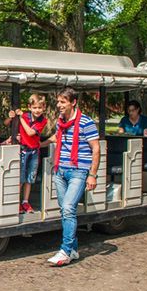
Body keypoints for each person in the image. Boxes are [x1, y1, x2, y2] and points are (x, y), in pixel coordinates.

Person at [47, 87, 101, 267]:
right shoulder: (60, 122)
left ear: (73, 102)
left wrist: (92, 175)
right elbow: (56, 139)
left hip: (78, 171)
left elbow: (96, 148)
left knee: (69, 208)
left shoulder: (86, 122)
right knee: (65, 210)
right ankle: (74, 249)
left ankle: (65, 251)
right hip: (60, 170)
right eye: (58, 101)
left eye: (63, 102)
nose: (59, 105)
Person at [7, 93, 50, 213]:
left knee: (30, 178)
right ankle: (16, 202)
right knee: (20, 177)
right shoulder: (24, 115)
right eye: (35, 107)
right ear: (29, 107)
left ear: (44, 108)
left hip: (34, 151)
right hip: (23, 150)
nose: (37, 110)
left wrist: (21, 119)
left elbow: (30, 132)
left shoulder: (42, 120)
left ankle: (25, 201)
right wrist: (11, 117)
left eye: (40, 108)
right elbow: (6, 123)